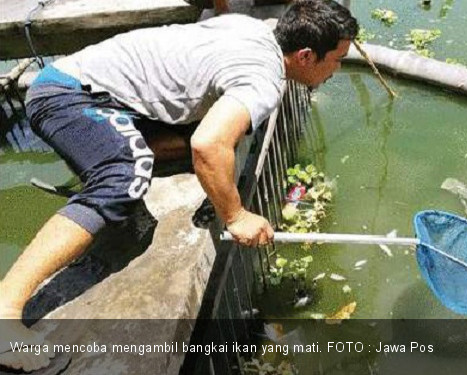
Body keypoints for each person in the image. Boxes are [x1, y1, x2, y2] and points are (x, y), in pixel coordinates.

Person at [0, 0, 358, 371]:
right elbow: (209, 145)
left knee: (208, 135)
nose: (339, 68)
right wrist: (235, 215)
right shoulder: (262, 78)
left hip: (97, 89)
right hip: (67, 97)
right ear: (305, 55)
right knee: (125, 176)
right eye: (337, 59)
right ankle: (6, 310)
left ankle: (109, 155)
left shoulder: (256, 30)